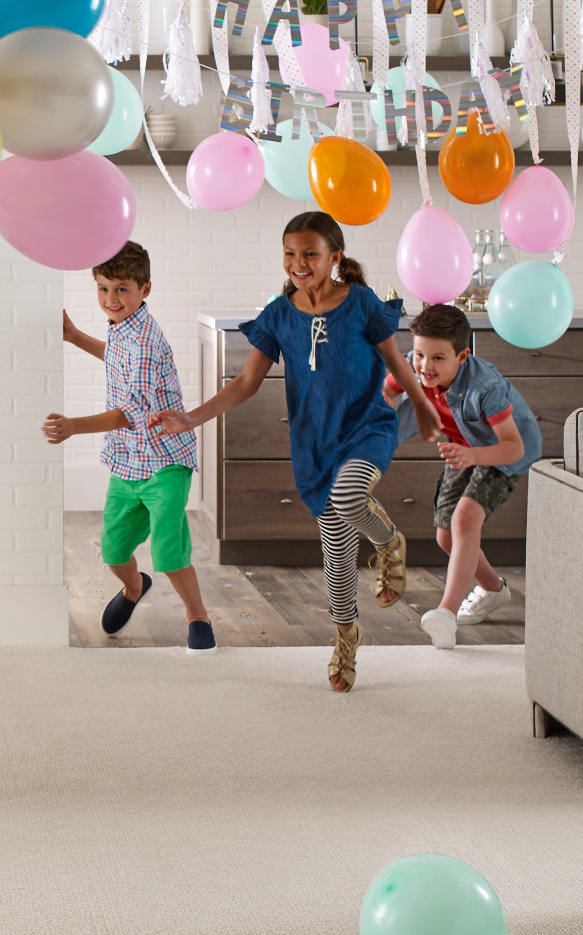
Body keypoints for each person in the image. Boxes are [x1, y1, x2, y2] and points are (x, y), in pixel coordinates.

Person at [148, 212, 439, 691]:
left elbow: (397, 363)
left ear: (334, 257)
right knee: (337, 555)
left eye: (310, 254)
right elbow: (246, 382)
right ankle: (346, 636)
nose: (298, 263)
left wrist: (423, 406)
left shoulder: (362, 303)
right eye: (289, 253)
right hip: (313, 443)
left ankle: (388, 542)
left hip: (366, 429)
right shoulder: (279, 316)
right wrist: (191, 418)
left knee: (349, 498)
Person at [45, 241, 215, 653]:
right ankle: (134, 586)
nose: (111, 298)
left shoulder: (145, 341)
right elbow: (116, 357)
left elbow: (130, 412)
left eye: (121, 289)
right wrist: (74, 336)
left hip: (165, 462)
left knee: (168, 549)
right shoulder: (124, 328)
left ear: (145, 289)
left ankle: (197, 615)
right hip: (127, 462)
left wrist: (75, 426)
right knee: (113, 551)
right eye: (103, 288)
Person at [384, 303, 542, 648]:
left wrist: (475, 456)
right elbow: (385, 392)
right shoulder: (414, 366)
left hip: (501, 452)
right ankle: (493, 589)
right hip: (464, 447)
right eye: (420, 355)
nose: (425, 366)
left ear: (462, 356)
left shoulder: (486, 386)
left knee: (465, 519)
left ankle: (446, 613)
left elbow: (514, 447)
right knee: (446, 537)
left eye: (438, 358)